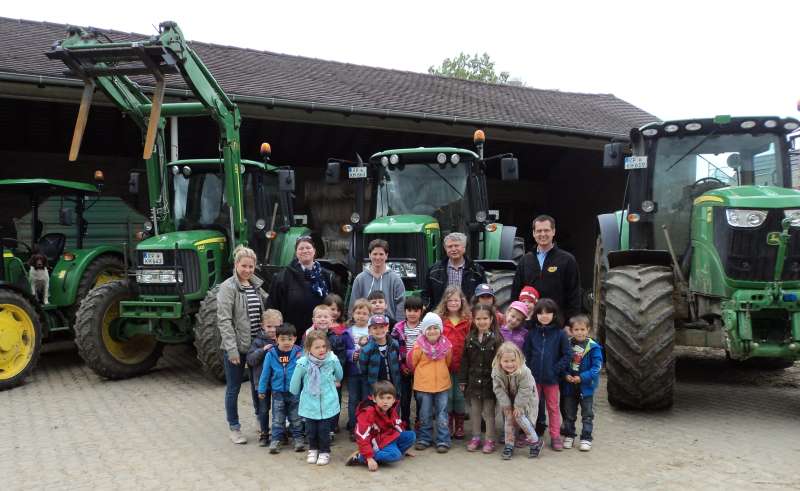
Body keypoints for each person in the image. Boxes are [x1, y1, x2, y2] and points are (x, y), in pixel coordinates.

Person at [217, 245, 267, 444]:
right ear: (236, 264)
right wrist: (231, 349)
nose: (247, 270)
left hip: (255, 346)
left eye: (251, 266)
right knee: (234, 388)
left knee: (257, 386)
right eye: (244, 266)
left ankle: (259, 420)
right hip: (237, 348)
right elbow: (224, 320)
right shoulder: (228, 287)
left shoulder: (256, 285)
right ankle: (234, 428)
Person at [290, 330, 343, 466]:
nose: (321, 350)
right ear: (309, 349)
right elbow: (295, 381)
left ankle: (325, 451)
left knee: (324, 430)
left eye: (323, 346)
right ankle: (313, 449)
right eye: (317, 347)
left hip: (327, 401)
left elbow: (340, 375)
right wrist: (294, 391)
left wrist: (336, 362)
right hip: (310, 402)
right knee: (311, 430)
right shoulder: (303, 363)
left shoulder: (331, 360)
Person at [511, 215, 581, 319]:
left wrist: (570, 323)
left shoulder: (567, 260)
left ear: (553, 232)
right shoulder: (525, 261)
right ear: (534, 233)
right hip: (531, 323)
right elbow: (516, 292)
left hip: (558, 323)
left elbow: (574, 294)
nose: (542, 234)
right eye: (539, 231)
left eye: (546, 230)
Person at [522, 298, 570, 450]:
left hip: (552, 379)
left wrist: (556, 370)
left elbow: (567, 355)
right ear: (536, 315)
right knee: (532, 407)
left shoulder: (560, 334)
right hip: (533, 379)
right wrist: (528, 371)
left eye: (548, 313)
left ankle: (555, 436)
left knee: (553, 407)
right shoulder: (531, 334)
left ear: (554, 315)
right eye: (541, 313)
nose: (544, 316)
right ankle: (530, 434)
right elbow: (526, 354)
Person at [267, 236, 335, 340]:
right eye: (301, 248)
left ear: (314, 251)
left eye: (308, 248)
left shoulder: (327, 276)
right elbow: (273, 305)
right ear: (296, 252)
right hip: (292, 335)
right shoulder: (283, 277)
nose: (305, 251)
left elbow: (334, 305)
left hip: (321, 335)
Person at [458, 304, 503, 453]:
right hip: (473, 382)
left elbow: (500, 363)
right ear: (474, 319)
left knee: (489, 413)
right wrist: (463, 381)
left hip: (490, 383)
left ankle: (490, 439)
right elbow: (464, 360)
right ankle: (476, 437)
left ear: (491, 319)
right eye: (478, 318)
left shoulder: (497, 339)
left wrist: (499, 383)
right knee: (475, 412)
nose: (481, 321)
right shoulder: (469, 337)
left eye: (485, 318)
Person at [345, 380, 416, 471]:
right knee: (395, 455)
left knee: (411, 435)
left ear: (394, 399)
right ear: (374, 398)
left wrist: (404, 448)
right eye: (381, 398)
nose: (385, 402)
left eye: (388, 398)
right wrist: (369, 457)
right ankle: (361, 457)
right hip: (376, 441)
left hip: (388, 437)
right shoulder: (368, 412)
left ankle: (391, 453)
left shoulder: (391, 409)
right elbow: (362, 436)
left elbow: (397, 425)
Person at [407, 312, 453, 453]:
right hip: (423, 385)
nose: (432, 331)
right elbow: (413, 363)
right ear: (424, 330)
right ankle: (424, 438)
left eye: (435, 328)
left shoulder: (447, 346)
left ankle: (443, 440)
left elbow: (448, 362)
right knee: (425, 413)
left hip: (442, 385)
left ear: (440, 329)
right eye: (429, 328)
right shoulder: (418, 346)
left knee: (442, 413)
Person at [258, 324, 305, 454]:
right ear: (276, 339)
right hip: (277, 392)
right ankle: (276, 440)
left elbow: (305, 373)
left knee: (296, 417)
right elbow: (265, 373)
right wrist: (261, 390)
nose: (286, 342)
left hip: (294, 392)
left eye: (289, 339)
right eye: (283, 339)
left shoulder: (299, 354)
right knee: (278, 418)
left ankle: (298, 439)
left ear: (295, 339)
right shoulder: (271, 355)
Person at [492, 342, 543, 460]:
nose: (510, 364)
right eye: (506, 361)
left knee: (520, 417)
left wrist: (519, 406)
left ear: (518, 358)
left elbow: (526, 389)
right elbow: (498, 389)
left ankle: (535, 442)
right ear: (500, 360)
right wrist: (506, 405)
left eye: (512, 360)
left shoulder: (524, 371)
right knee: (509, 418)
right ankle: (509, 444)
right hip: (508, 397)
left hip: (526, 398)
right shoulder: (496, 371)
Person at [560, 315, 603, 452]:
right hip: (569, 386)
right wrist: (565, 374)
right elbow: (563, 362)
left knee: (587, 414)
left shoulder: (594, 347)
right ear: (571, 331)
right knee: (569, 413)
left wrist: (582, 377)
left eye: (582, 329)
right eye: (576, 329)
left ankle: (586, 438)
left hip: (586, 387)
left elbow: (597, 367)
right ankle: (569, 435)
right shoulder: (567, 344)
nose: (580, 332)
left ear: (588, 330)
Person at [434, 285, 471, 440]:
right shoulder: (440, 320)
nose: (454, 303)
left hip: (462, 366)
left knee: (460, 396)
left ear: (461, 301)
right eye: (450, 300)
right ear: (445, 302)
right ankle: (448, 424)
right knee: (447, 396)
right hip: (445, 365)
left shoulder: (467, 320)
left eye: (456, 300)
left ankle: (460, 426)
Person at [245, 308, 281, 446]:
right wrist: (262, 350)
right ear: (262, 326)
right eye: (269, 326)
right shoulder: (258, 342)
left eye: (276, 326)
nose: (272, 330)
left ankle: (279, 433)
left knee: (279, 408)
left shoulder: (282, 340)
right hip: (262, 383)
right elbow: (250, 360)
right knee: (264, 409)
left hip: (278, 383)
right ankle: (264, 434)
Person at [424, 232, 487, 309]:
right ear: (445, 248)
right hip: (441, 314)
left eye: (456, 246)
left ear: (464, 247)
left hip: (468, 313)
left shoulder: (477, 271)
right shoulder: (434, 270)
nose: (453, 249)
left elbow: (483, 295)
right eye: (450, 246)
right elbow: (425, 295)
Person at [348, 239, 406, 321]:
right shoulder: (360, 279)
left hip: (389, 327)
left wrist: (398, 326)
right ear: (369, 255)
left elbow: (401, 304)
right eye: (374, 254)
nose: (378, 257)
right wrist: (352, 323)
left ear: (386, 255)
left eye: (381, 254)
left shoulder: (395, 279)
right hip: (364, 325)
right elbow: (353, 304)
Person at [390, 295, 425, 428]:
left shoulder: (424, 328)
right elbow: (393, 349)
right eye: (409, 310)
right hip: (403, 368)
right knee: (404, 398)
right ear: (405, 311)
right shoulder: (398, 328)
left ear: (421, 312)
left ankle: (419, 420)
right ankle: (405, 421)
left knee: (420, 396)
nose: (412, 313)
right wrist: (402, 365)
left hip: (420, 368)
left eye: (415, 311)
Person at [322, 294, 350, 435]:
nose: (335, 312)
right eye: (331, 308)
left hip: (336, 369)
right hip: (320, 371)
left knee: (335, 397)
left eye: (338, 310)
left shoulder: (343, 329)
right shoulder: (318, 326)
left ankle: (334, 424)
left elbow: (344, 352)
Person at [346, 299, 372, 437]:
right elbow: (343, 350)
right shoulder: (348, 332)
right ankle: (353, 425)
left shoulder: (372, 331)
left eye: (364, 313)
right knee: (353, 399)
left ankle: (364, 426)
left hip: (368, 372)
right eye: (358, 312)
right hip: (353, 372)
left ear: (369, 316)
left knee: (366, 399)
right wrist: (351, 355)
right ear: (353, 314)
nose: (361, 316)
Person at [359, 314, 402, 392]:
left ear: (387, 328)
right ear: (369, 331)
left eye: (382, 327)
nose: (379, 330)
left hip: (393, 386)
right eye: (375, 328)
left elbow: (398, 364)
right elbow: (363, 371)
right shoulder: (366, 350)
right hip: (375, 388)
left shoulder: (395, 344)